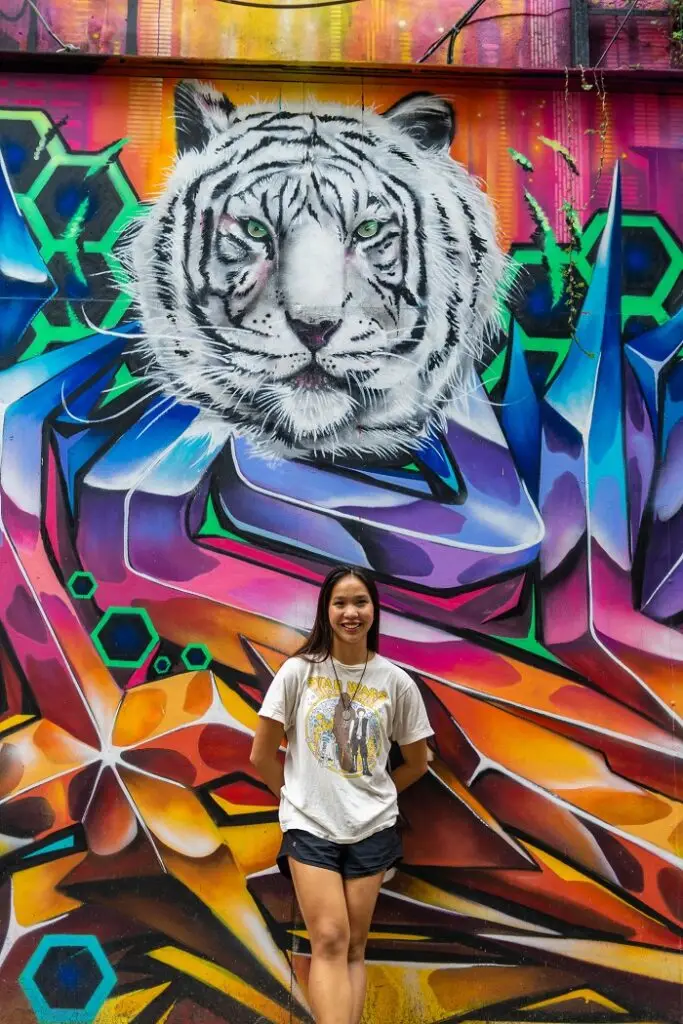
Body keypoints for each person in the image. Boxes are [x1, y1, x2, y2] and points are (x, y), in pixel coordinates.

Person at [250, 565, 433, 1024]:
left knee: (353, 946)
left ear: (374, 609)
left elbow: (417, 762)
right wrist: (296, 798)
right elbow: (261, 755)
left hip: (372, 828)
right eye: (340, 603)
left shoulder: (395, 682)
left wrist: (377, 796)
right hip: (310, 827)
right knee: (330, 938)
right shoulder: (298, 673)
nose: (351, 612)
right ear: (325, 611)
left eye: (360, 602)